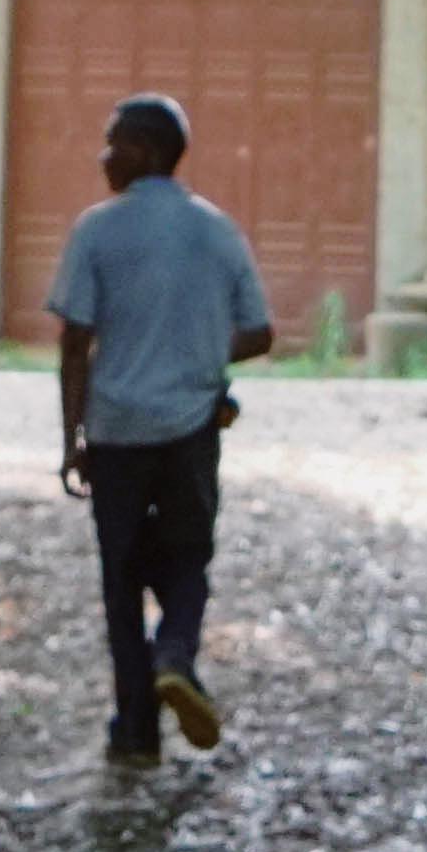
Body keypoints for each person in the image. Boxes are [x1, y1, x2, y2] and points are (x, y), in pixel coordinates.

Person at [46, 94, 278, 770]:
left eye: (112, 143)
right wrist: (198, 355)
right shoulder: (217, 231)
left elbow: (74, 344)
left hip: (117, 434)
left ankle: (136, 733)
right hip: (191, 430)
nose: (103, 156)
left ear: (142, 152)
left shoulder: (96, 231)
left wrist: (71, 440)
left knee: (120, 579)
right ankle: (176, 653)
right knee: (187, 559)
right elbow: (260, 333)